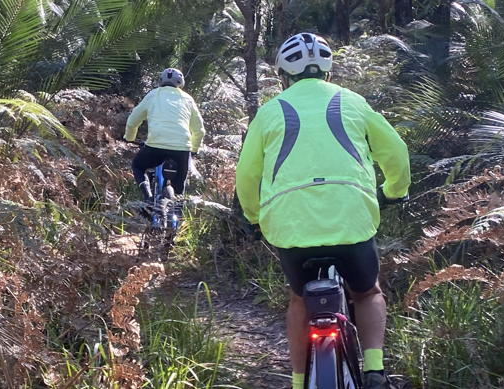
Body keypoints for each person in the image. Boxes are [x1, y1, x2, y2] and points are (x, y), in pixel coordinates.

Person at [234, 33, 410, 389]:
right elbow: (396, 153)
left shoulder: (270, 111)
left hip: (289, 225)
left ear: (284, 73)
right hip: (352, 219)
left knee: (299, 299)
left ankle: (299, 381)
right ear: (328, 69)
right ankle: (374, 368)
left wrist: (253, 217)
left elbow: (246, 175)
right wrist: (394, 192)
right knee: (368, 292)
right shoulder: (353, 102)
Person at [125, 68, 206, 207]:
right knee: (179, 188)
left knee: (138, 166)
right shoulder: (188, 99)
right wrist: (193, 150)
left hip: (155, 146)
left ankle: (148, 197)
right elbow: (199, 131)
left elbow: (133, 121)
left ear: (161, 81)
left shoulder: (153, 95)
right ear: (181, 83)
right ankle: (178, 218)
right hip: (182, 149)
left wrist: (130, 138)